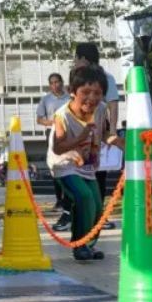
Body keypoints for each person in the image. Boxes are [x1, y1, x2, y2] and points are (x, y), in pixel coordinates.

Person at [48, 65, 124, 261]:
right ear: (72, 92)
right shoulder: (62, 115)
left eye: (97, 93)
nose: (92, 98)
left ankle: (88, 245)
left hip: (88, 166)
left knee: (98, 207)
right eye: (86, 92)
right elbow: (58, 147)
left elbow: (106, 134)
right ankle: (79, 245)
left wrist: (125, 145)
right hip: (64, 165)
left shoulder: (101, 109)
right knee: (84, 197)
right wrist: (81, 136)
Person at [74, 43, 119, 230]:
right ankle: (79, 216)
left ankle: (98, 217)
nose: (75, 61)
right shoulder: (76, 78)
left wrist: (112, 132)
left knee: (96, 175)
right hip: (76, 134)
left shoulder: (105, 78)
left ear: (83, 58)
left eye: (76, 57)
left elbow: (112, 105)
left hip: (96, 135)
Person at [37, 73, 70, 213]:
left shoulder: (69, 97)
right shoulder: (46, 99)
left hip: (69, 133)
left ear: (62, 82)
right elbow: (39, 119)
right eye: (52, 83)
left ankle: (69, 198)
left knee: (68, 164)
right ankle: (59, 200)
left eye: (57, 82)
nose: (55, 85)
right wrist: (52, 122)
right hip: (52, 134)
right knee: (55, 166)